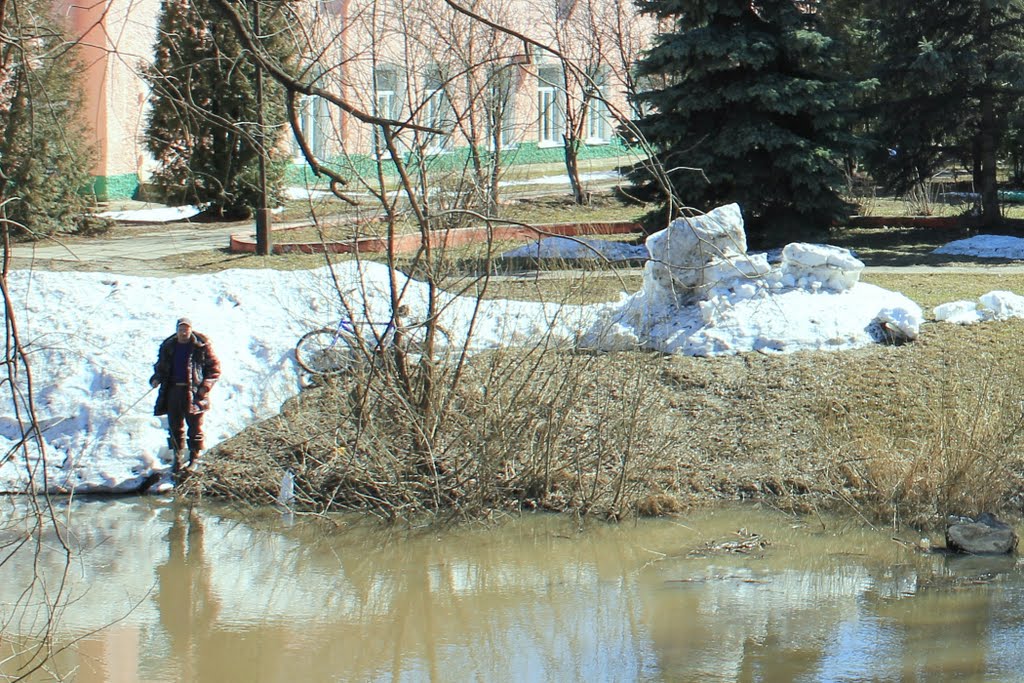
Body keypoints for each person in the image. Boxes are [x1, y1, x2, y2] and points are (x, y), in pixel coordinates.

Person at [150, 317, 221, 474]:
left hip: (195, 392)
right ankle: (178, 457)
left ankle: (194, 458)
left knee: (195, 427)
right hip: (173, 391)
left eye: (186, 329)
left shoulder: (201, 346)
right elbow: (161, 367)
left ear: (191, 330)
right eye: (181, 329)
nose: (183, 332)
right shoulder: (168, 346)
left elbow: (214, 369)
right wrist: (156, 379)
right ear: (176, 330)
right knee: (175, 426)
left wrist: (205, 387)